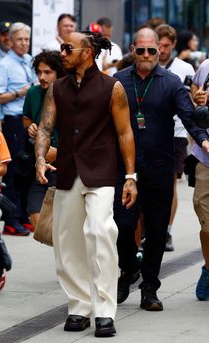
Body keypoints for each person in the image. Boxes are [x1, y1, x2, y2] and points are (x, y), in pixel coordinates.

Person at [35, 31, 137, 337]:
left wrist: (131, 177)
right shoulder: (57, 88)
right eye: (61, 48)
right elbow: (45, 126)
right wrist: (40, 159)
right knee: (67, 243)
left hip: (102, 171)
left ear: (88, 53)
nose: (62, 53)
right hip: (67, 172)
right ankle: (78, 306)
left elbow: (125, 133)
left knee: (100, 231)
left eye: (68, 48)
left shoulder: (112, 87)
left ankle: (104, 311)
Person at [114, 27, 209, 310]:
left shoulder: (171, 82)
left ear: (160, 51)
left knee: (156, 230)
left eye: (151, 50)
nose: (145, 55)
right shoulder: (117, 82)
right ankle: (129, 267)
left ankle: (150, 288)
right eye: (140, 50)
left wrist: (203, 139)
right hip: (126, 168)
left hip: (159, 166)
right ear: (133, 50)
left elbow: (189, 117)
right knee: (122, 225)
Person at [0, 22, 36, 236]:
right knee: (14, 172)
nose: (24, 43)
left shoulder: (29, 60)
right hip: (13, 121)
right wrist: (19, 93)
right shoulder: (5, 64)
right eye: (20, 39)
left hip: (28, 121)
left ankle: (24, 215)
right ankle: (11, 220)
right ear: (10, 40)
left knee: (28, 170)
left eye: (27, 39)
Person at [155, 24, 195, 251]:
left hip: (177, 133)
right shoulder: (146, 63)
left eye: (166, 46)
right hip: (152, 132)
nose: (160, 50)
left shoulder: (184, 68)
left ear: (173, 45)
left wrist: (193, 136)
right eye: (157, 45)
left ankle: (167, 231)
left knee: (170, 184)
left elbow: (190, 103)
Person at [22, 50, 65, 229]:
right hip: (40, 164)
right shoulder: (33, 92)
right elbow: (26, 118)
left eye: (47, 72)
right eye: (39, 72)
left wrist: (60, 153)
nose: (42, 77)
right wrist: (30, 126)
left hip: (67, 165)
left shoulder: (70, 93)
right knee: (36, 217)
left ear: (59, 73)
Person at [191, 59, 209, 300]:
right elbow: (195, 94)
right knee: (206, 220)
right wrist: (198, 100)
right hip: (206, 157)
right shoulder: (206, 66)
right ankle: (208, 267)